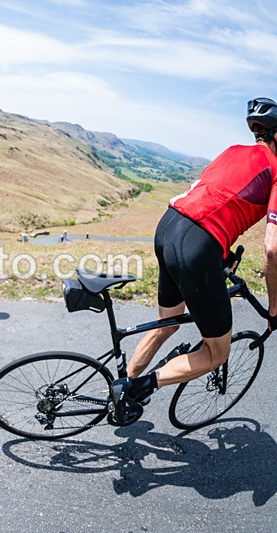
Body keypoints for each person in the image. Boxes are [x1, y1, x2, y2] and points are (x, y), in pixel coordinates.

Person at [111, 97, 277, 422]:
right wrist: (274, 308)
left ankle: (120, 389)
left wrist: (224, 255)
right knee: (217, 353)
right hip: (196, 245)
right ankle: (139, 387)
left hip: (169, 226)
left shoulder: (232, 151)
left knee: (168, 322)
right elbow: (272, 249)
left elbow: (211, 195)